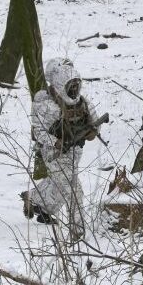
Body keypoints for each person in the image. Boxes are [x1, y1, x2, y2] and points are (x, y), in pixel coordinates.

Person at [21, 58, 103, 239]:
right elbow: (38, 132)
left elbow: (95, 122)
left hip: (75, 152)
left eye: (76, 85)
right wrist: (56, 142)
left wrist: (93, 131)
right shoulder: (45, 105)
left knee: (60, 183)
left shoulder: (83, 102)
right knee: (74, 191)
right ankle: (78, 232)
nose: (74, 89)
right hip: (54, 154)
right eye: (70, 85)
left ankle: (34, 200)